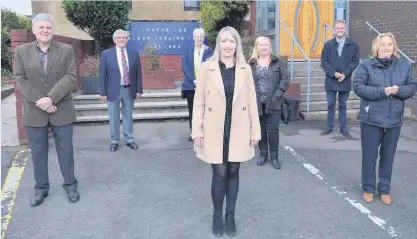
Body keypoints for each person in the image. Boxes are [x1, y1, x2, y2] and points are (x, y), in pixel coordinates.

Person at [192, 26, 261, 237]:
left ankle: (230, 215)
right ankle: (216, 214)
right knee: (219, 173)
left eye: (232, 41)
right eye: (224, 41)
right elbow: (199, 103)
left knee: (233, 172)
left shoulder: (245, 69)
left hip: (238, 127)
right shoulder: (207, 67)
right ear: (218, 44)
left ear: (237, 44)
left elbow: (251, 102)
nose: (228, 45)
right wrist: (197, 130)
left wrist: (255, 131)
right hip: (214, 128)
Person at [14, 13, 80, 206]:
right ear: (34, 30)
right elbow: (20, 78)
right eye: (41, 27)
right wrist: (41, 100)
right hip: (34, 110)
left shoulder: (66, 50)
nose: (45, 30)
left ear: (53, 30)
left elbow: (70, 77)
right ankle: (41, 189)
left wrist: (51, 98)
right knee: (38, 152)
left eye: (48, 27)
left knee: (66, 151)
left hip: (62, 108)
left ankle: (71, 186)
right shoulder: (22, 51)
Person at [353, 32, 417, 205]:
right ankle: (368, 188)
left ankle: (384, 189)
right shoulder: (366, 65)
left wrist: (399, 90)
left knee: (388, 156)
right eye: (383, 44)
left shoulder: (404, 66)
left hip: (394, 119)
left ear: (394, 47)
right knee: (370, 156)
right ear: (376, 47)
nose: (387, 47)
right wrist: (382, 91)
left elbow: (412, 87)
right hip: (371, 119)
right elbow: (358, 87)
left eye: (390, 44)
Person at [248, 36, 289, 169]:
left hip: (274, 102)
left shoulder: (278, 62)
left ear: (269, 47)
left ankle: (274, 156)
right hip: (257, 103)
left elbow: (284, 80)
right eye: (261, 45)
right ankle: (263, 154)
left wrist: (277, 95)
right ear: (257, 47)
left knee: (273, 130)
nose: (264, 47)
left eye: (266, 45)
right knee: (260, 130)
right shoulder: (251, 64)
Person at [99, 29, 143, 151]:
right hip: (112, 90)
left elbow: (138, 73)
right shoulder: (106, 54)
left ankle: (129, 140)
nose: (121, 40)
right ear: (114, 40)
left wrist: (139, 90)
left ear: (127, 39)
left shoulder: (134, 53)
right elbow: (102, 75)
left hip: (129, 89)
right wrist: (103, 92)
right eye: (118, 38)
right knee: (113, 117)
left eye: (124, 37)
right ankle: (115, 141)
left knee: (128, 116)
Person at [320, 20, 360, 138]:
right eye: (338, 28)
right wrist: (333, 73)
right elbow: (324, 61)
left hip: (345, 80)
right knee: (331, 104)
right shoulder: (328, 45)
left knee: (343, 105)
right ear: (334, 30)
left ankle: (343, 128)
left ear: (345, 30)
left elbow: (355, 61)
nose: (340, 30)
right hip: (331, 80)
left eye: (342, 28)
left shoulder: (353, 44)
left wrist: (345, 74)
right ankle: (329, 126)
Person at [181, 28, 213, 141]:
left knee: (205, 109)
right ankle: (193, 132)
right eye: (197, 36)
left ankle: (204, 131)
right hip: (190, 86)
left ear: (204, 38)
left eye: (201, 36)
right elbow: (184, 67)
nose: (199, 38)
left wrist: (203, 80)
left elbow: (212, 68)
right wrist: (194, 80)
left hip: (206, 86)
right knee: (193, 110)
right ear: (193, 37)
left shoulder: (209, 51)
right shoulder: (188, 50)